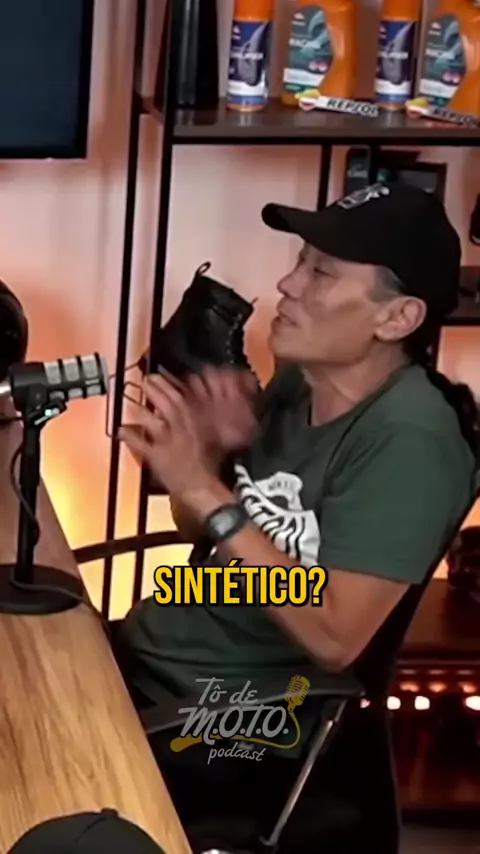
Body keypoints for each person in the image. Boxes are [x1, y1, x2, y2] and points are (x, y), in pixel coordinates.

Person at [115, 182, 479, 714]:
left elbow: (335, 639)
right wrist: (208, 459)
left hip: (223, 716)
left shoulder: (411, 442)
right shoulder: (299, 382)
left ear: (398, 318)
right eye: (300, 262)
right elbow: (203, 532)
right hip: (152, 656)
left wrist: (203, 488)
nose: (287, 284)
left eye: (321, 273)